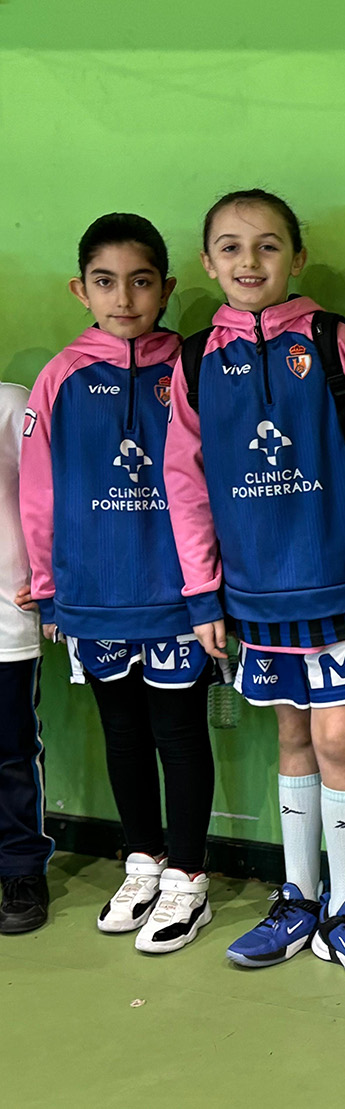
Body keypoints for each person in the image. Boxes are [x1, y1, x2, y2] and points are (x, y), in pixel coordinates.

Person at [163, 189, 345, 983]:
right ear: (207, 263)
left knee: (339, 737)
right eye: (230, 247)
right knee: (292, 737)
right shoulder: (196, 359)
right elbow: (185, 482)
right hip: (253, 597)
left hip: (338, 582)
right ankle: (298, 897)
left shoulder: (333, 340)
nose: (249, 262)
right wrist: (204, 595)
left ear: (296, 257)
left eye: (268, 246)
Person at [18, 214, 217, 952]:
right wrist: (47, 584)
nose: (124, 297)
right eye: (105, 281)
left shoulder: (191, 366)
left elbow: (212, 481)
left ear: (166, 287)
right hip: (94, 593)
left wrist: (210, 587)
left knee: (178, 730)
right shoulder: (62, 376)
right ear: (81, 289)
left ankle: (189, 877)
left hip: (175, 594)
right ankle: (144, 859)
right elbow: (38, 489)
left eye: (140, 281)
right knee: (122, 732)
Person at [0, 376, 47, 935]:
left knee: (10, 751)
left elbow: (41, 494)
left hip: (6, 617)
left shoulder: (12, 404)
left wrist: (46, 569)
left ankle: (20, 868)